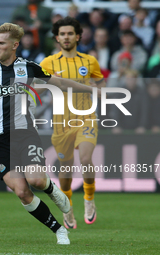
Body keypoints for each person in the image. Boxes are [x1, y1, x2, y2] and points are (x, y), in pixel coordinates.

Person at [0, 22, 101, 245]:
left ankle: (52, 189)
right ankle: (59, 230)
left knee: (36, 179)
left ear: (14, 45)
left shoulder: (29, 68)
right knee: (22, 192)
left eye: (1, 44)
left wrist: (93, 91)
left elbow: (60, 82)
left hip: (25, 134)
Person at [40, 17, 106, 229]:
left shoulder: (90, 61)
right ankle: (67, 209)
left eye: (70, 33)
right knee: (66, 170)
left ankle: (89, 198)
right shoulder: (48, 63)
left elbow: (101, 87)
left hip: (86, 117)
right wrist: (51, 81)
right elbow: (36, 89)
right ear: (57, 38)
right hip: (61, 123)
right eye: (62, 34)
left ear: (78, 36)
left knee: (86, 158)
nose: (66, 37)